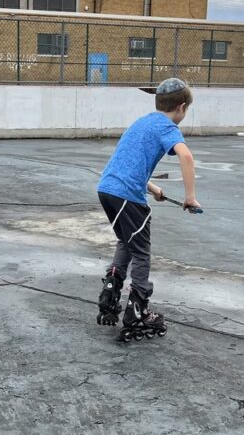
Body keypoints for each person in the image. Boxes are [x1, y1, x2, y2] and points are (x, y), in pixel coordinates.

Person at [95, 77, 201, 342]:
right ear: (181, 107)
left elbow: (130, 162)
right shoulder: (167, 126)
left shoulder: (142, 122)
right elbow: (186, 156)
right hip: (127, 196)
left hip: (108, 189)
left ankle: (110, 292)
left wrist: (153, 189)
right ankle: (137, 312)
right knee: (142, 253)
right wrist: (190, 197)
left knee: (126, 242)